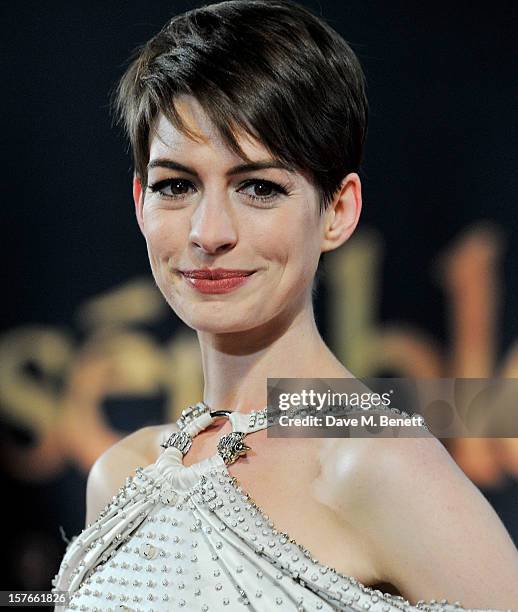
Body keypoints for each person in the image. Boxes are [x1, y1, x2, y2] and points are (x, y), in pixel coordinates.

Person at [51, 1, 518, 610]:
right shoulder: (119, 475)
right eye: (176, 185)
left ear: (337, 211)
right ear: (140, 202)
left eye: (259, 188)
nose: (209, 231)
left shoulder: (372, 462)